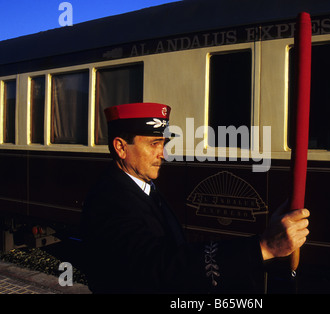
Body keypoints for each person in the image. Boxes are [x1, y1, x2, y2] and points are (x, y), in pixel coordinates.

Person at [81, 102, 309, 294]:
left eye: (163, 143)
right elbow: (158, 267)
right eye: (154, 144)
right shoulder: (108, 200)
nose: (163, 153)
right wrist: (263, 247)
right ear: (121, 147)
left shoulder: (142, 187)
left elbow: (176, 252)